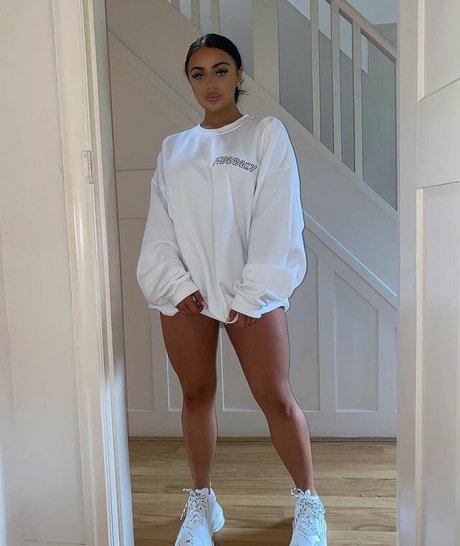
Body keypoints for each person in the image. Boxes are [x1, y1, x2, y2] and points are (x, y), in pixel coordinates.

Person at [137, 33, 327, 546]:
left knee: (275, 397)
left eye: (220, 70)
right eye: (198, 73)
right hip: (188, 296)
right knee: (195, 394)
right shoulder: (175, 148)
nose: (210, 82)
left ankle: (309, 501)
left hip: (251, 295)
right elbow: (161, 226)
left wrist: (252, 293)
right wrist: (174, 283)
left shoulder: (264, 134)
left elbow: (278, 215)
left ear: (239, 75)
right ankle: (202, 502)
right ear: (189, 80)